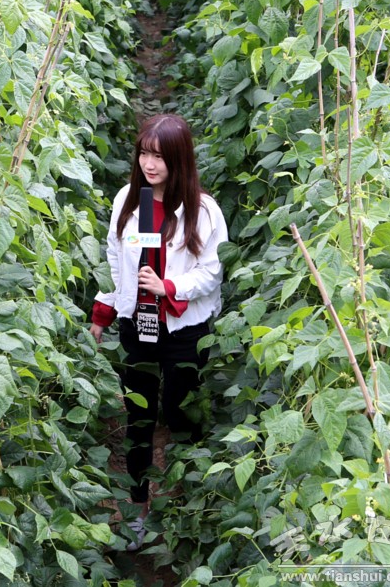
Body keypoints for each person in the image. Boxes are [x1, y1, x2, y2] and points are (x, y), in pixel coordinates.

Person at [89, 113, 228, 550]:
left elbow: (212, 272)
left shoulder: (203, 211)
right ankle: (138, 511)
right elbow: (116, 258)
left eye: (159, 156)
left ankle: (186, 508)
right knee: (140, 417)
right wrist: (106, 311)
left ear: (178, 159)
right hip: (139, 325)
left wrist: (169, 286)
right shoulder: (130, 201)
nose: (149, 164)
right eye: (144, 154)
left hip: (186, 328)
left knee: (180, 412)